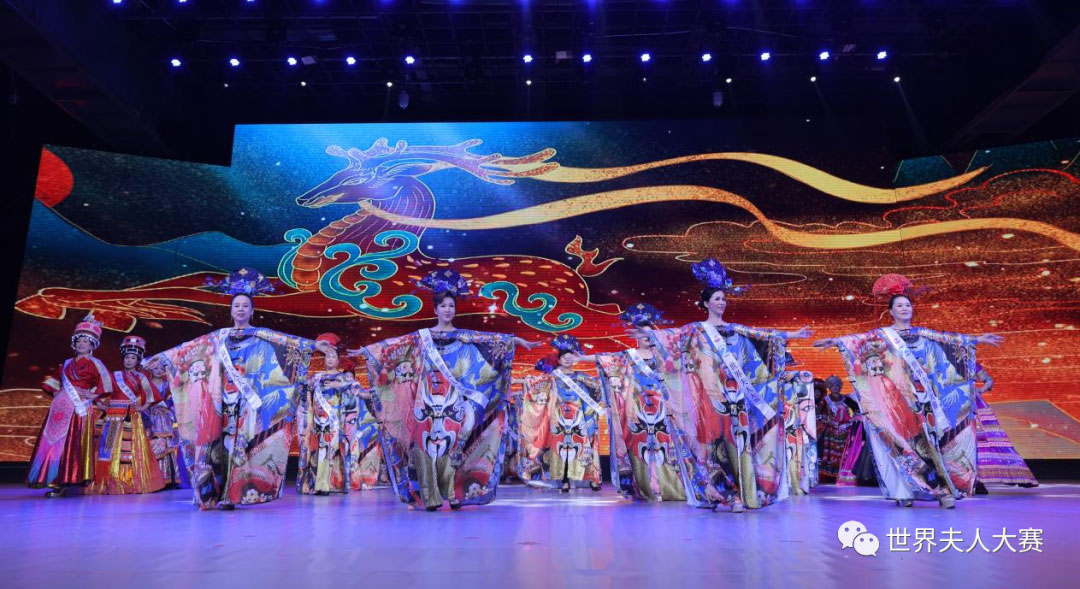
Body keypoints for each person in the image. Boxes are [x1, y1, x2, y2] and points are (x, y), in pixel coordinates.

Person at [145, 268, 333, 510]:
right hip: (220, 401)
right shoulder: (218, 337)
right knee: (217, 446)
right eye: (237, 306)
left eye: (245, 306)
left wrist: (314, 345)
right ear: (231, 310)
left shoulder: (261, 336)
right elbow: (188, 349)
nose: (241, 309)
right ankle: (217, 493)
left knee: (241, 446)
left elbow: (288, 341)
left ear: (252, 310)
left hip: (247, 404)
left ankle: (234, 493)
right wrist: (164, 358)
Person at [354, 269, 539, 511]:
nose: (448, 310)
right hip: (425, 402)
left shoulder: (464, 337)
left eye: (451, 305)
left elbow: (490, 340)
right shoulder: (422, 338)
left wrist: (515, 341)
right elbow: (394, 345)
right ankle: (429, 496)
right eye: (443, 306)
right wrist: (367, 352)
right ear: (435, 309)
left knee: (453, 445)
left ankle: (453, 493)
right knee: (425, 448)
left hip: (454, 402)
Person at [813, 274, 1003, 508]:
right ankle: (906, 491)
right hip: (895, 401)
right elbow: (858, 340)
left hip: (923, 401)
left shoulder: (922, 334)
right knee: (901, 445)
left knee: (929, 445)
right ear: (891, 311)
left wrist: (978, 339)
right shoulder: (882, 335)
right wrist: (836, 342)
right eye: (900, 306)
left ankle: (942, 490)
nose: (905, 308)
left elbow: (948, 339)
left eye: (908, 305)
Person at [645, 258, 812, 512]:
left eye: (724, 299)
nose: (722, 302)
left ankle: (743, 493)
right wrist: (648, 335)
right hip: (711, 401)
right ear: (705, 303)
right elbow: (670, 338)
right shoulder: (696, 330)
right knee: (716, 447)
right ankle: (725, 494)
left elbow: (763, 335)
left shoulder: (736, 329)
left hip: (737, 399)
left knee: (740, 445)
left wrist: (792, 335)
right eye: (717, 299)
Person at [594, 303, 697, 502]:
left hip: (663, 408)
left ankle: (672, 488)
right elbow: (605, 360)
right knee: (641, 448)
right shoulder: (627, 357)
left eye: (649, 333)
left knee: (666, 447)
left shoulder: (665, 356)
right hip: (638, 409)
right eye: (641, 334)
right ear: (636, 337)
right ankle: (645, 488)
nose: (646, 337)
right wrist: (580, 357)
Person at [26, 313, 113, 497]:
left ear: (92, 345)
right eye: (79, 341)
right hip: (60, 408)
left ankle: (65, 480)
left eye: (85, 342)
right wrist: (58, 394)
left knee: (71, 442)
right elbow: (52, 383)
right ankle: (50, 478)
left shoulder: (95, 363)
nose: (81, 344)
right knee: (53, 440)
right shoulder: (66, 364)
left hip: (78, 409)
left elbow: (107, 384)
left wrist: (92, 394)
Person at [295, 332, 382, 495]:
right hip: (319, 422)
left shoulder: (345, 378)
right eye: (327, 356)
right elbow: (301, 391)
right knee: (320, 451)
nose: (330, 359)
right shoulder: (315, 379)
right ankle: (319, 484)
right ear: (323, 360)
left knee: (334, 451)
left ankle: (331, 484)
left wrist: (377, 393)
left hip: (338, 423)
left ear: (338, 360)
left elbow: (361, 393)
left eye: (333, 357)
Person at [517, 335, 605, 493]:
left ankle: (593, 477)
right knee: (560, 450)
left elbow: (598, 389)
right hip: (557, 419)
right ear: (558, 359)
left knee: (584, 447)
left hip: (578, 420)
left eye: (570, 357)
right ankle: (564, 481)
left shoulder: (581, 377)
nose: (567, 359)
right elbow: (533, 384)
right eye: (564, 357)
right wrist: (518, 382)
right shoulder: (551, 377)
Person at [85, 335, 165, 495]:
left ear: (138, 360)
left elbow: (152, 395)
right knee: (108, 448)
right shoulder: (114, 375)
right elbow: (99, 391)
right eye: (127, 357)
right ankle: (107, 480)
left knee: (129, 450)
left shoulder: (141, 377)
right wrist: (101, 405)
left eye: (133, 358)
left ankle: (128, 480)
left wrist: (142, 407)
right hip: (112, 417)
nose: (129, 360)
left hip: (131, 417)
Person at [971, 364, 1038, 490]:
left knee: (983, 442)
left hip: (974, 405)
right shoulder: (948, 363)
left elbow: (989, 381)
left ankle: (980, 481)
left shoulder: (971, 363)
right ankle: (971, 481)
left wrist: (979, 390)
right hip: (957, 405)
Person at [146, 360, 190, 488]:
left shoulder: (168, 384)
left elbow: (175, 397)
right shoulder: (146, 383)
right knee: (154, 446)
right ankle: (155, 480)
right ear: (150, 370)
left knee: (169, 446)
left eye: (161, 368)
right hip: (151, 417)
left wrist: (170, 406)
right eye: (156, 368)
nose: (159, 371)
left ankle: (170, 479)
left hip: (166, 417)